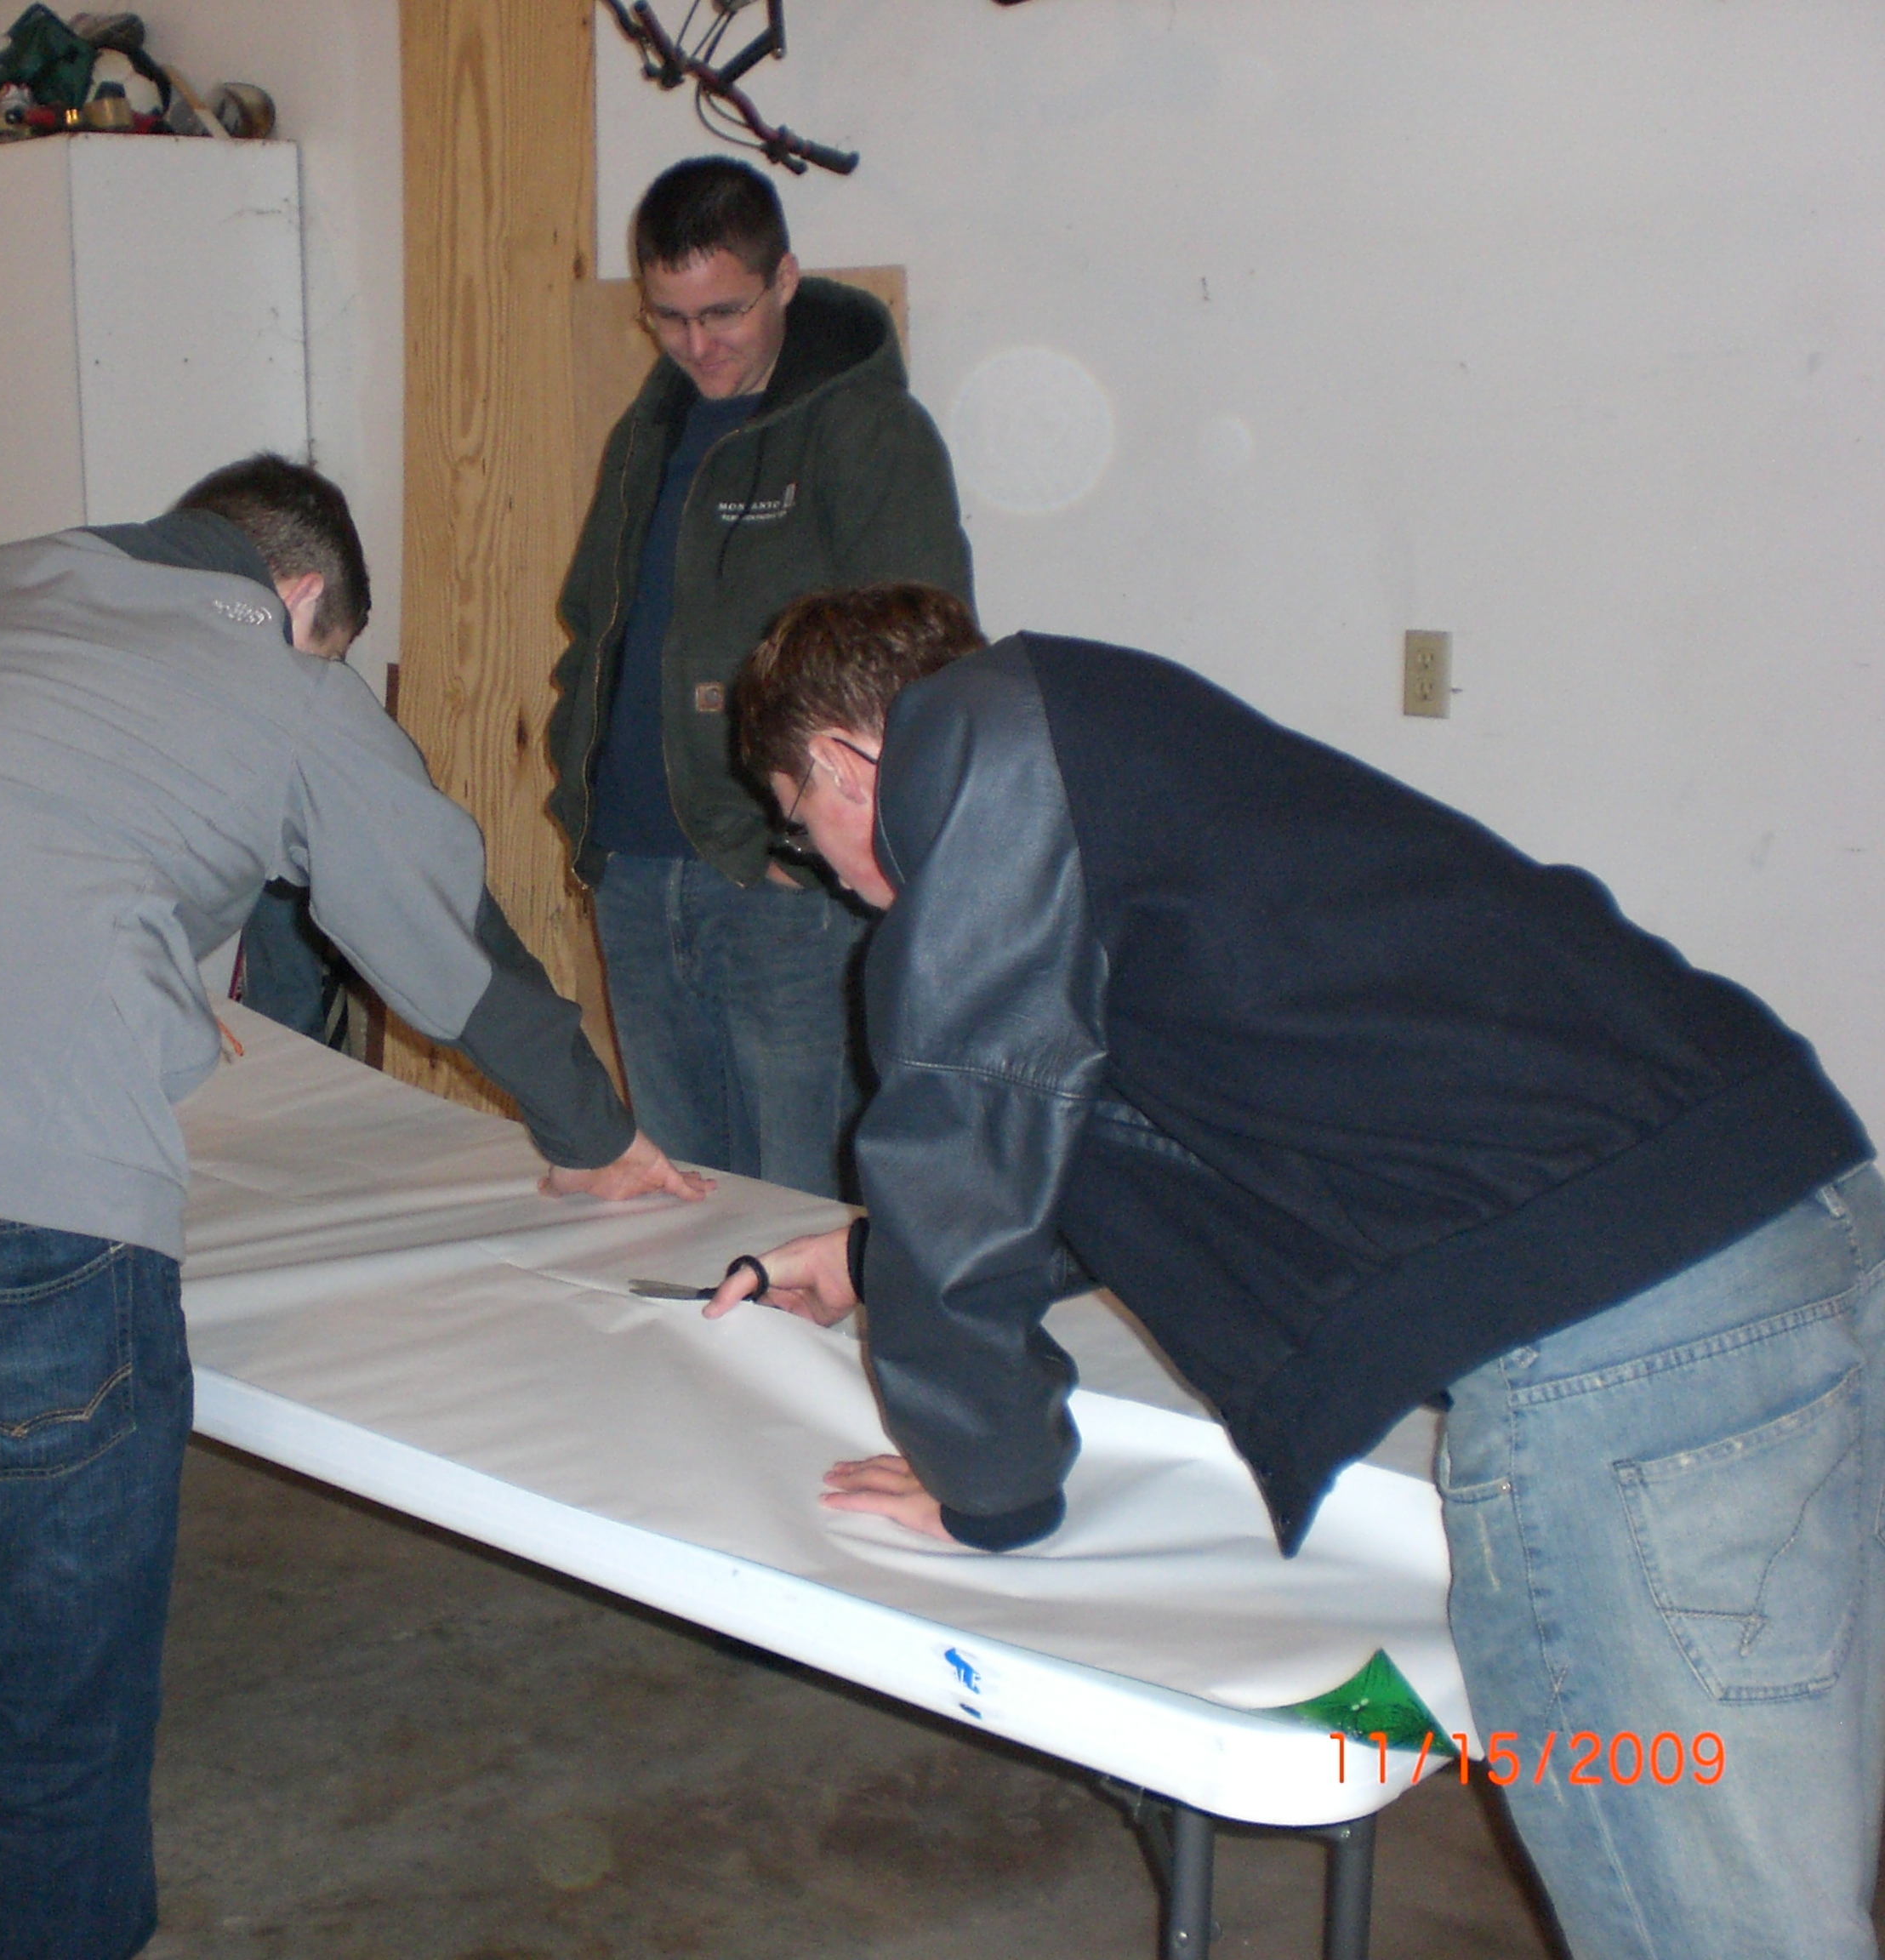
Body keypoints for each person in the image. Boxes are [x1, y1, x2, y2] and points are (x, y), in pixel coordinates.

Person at [0, 455, 708, 1960]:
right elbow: (445, 936)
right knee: (35, 1727)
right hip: (6, 1214)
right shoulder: (278, 677)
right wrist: (596, 1131)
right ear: (301, 600)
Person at [711, 582, 1882, 1960]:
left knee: (1707, 1919)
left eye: (810, 826)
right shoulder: (1104, 744)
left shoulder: (972, 748)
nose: (848, 884)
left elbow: (959, 1139)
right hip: (1793, 1227)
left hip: (1634, 1352)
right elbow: (1129, 1128)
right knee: (1774, 1870)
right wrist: (861, 1257)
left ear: (854, 759)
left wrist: (994, 1488)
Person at [546, 156, 973, 1199]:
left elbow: (926, 666)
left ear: (786, 277)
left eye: (724, 312)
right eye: (668, 317)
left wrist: (808, 848)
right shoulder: (648, 431)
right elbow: (595, 628)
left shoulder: (868, 431)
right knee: (680, 1197)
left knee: (799, 1202)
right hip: (638, 876)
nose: (698, 345)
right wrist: (585, 809)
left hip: (785, 892)